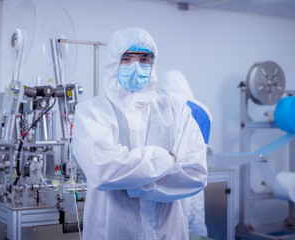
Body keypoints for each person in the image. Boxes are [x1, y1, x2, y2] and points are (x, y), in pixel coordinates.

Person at [72, 28, 207, 240]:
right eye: (126, 58)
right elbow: (102, 171)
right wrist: (164, 158)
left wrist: (130, 183)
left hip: (168, 232)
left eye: (144, 58)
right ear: (113, 62)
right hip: (111, 231)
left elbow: (195, 174)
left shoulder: (177, 111)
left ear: (153, 63)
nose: (136, 66)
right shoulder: (92, 112)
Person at [158, 69, 213, 237]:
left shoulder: (168, 108)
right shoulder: (204, 110)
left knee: (172, 226)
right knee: (196, 222)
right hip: (196, 176)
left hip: (171, 176)